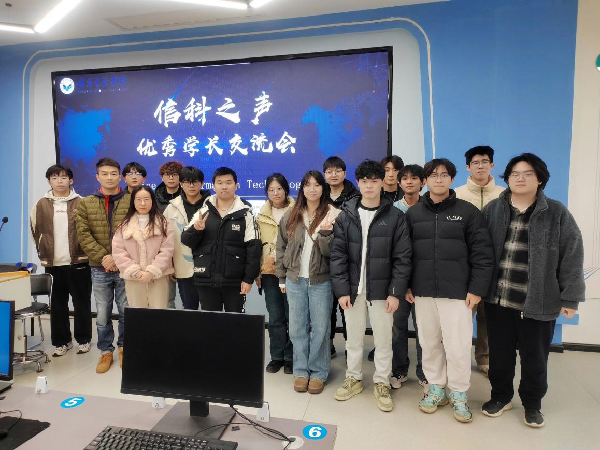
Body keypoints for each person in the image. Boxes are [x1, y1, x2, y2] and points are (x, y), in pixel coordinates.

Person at [480, 153, 585, 428]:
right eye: (515, 174)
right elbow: (478, 251)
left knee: (535, 358)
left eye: (528, 173)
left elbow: (572, 255)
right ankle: (501, 397)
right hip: (498, 299)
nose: (520, 178)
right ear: (507, 178)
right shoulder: (493, 209)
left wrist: (570, 297)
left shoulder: (556, 213)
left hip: (538, 300)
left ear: (539, 179)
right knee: (499, 355)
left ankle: (532, 404)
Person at [405, 158, 494, 423]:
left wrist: (476, 289)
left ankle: (459, 392)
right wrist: (407, 285)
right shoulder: (413, 214)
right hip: (422, 292)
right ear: (425, 181)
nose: (439, 179)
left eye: (444, 175)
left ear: (452, 179)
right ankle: (435, 387)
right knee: (429, 343)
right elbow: (404, 254)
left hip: (458, 293)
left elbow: (483, 254)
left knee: (458, 346)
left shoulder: (468, 212)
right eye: (433, 175)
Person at [331, 160, 412, 412]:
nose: (369, 186)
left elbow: (402, 258)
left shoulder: (395, 216)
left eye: (374, 181)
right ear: (358, 183)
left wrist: (395, 292)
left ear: (382, 183)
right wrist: (342, 290)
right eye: (364, 181)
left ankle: (382, 382)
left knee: (384, 340)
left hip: (383, 291)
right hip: (353, 290)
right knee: (353, 339)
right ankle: (353, 378)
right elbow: (338, 256)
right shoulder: (346, 215)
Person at [276, 170, 340, 395]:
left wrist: (326, 233)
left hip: (321, 280)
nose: (312, 189)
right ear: (302, 188)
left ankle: (319, 371)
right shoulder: (292, 214)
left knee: (321, 328)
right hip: (295, 280)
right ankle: (301, 371)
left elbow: (334, 253)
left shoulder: (333, 214)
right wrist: (282, 277)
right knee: (297, 328)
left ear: (323, 188)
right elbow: (281, 247)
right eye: (307, 185)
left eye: (317, 185)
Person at [30, 164, 92, 357]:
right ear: (49, 181)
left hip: (79, 261)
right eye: (55, 177)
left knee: (81, 303)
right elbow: (34, 231)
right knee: (57, 305)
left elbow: (89, 231)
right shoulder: (41, 204)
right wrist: (44, 251)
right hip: (53, 264)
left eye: (64, 177)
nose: (59, 181)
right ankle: (61, 342)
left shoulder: (82, 202)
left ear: (71, 180)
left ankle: (83, 340)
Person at [181, 167, 261, 312]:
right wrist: (196, 230)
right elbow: (186, 240)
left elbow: (254, 249)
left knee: (235, 322)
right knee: (210, 323)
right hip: (206, 279)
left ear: (236, 185)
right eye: (220, 183)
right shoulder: (203, 211)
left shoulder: (246, 214)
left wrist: (248, 279)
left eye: (228, 183)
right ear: (213, 186)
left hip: (235, 282)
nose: (224, 186)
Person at [455, 145, 505, 375]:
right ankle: (458, 360)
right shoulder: (457, 194)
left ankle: (485, 357)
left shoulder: (504, 194)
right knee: (463, 316)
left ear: (492, 165)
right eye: (475, 163)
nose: (480, 166)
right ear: (468, 167)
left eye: (485, 162)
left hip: (497, 265)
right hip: (465, 266)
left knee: (489, 316)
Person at [77, 158, 130, 373]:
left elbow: (135, 233)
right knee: (102, 313)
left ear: (120, 177)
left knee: (126, 310)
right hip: (99, 268)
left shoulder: (131, 200)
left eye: (113, 173)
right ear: (97, 177)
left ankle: (125, 348)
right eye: (104, 174)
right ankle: (106, 351)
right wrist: (105, 257)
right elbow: (83, 235)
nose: (109, 177)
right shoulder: (86, 203)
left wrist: (118, 258)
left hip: (125, 266)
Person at [390, 164, 427, 388]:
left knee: (424, 329)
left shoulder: (429, 208)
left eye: (415, 178)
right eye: (405, 178)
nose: (409, 182)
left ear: (423, 182)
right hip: (398, 279)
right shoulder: (393, 209)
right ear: (399, 182)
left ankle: (424, 373)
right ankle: (399, 370)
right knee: (398, 327)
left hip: (423, 279)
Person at [256, 173, 295, 375]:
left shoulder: (297, 211)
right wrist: (257, 272)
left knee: (292, 315)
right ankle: (277, 356)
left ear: (286, 190)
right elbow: (256, 246)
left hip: (292, 272)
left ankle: (290, 357)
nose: (275, 193)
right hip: (269, 272)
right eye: (271, 190)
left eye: (279, 188)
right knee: (275, 316)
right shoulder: (260, 216)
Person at [112, 186, 175, 308]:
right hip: (134, 278)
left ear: (152, 200)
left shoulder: (163, 223)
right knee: (138, 313)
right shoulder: (124, 225)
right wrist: (135, 271)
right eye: (138, 199)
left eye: (146, 199)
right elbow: (118, 252)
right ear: (133, 201)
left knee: (159, 311)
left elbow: (167, 251)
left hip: (158, 277)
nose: (142, 203)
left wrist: (151, 271)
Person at [323, 156, 358, 358]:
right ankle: (327, 347)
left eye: (337, 171)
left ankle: (351, 350)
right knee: (326, 308)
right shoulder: (319, 195)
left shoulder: (356, 196)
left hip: (348, 258)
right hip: (324, 258)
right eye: (329, 171)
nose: (333, 175)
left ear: (344, 173)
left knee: (348, 308)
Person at [163, 166, 210, 310]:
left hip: (210, 266)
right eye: (187, 182)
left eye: (195, 182)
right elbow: (165, 239)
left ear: (202, 183)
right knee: (189, 309)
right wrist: (170, 265)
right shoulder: (172, 208)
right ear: (181, 184)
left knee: (210, 310)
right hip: (183, 265)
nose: (191, 186)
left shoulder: (212, 204)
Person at [155, 161, 183, 309]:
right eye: (167, 174)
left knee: (189, 298)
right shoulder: (154, 198)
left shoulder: (188, 195)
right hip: (163, 251)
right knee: (167, 298)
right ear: (162, 177)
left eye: (175, 174)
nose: (171, 178)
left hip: (184, 249)